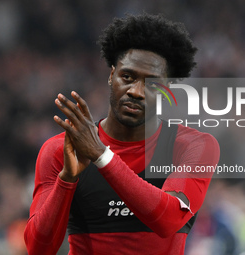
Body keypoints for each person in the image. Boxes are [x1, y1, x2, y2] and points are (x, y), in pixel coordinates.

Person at [24, 13, 220, 255]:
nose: (136, 91)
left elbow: (167, 220)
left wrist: (101, 156)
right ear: (111, 75)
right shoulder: (61, 150)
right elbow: (38, 249)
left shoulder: (193, 146)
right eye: (127, 77)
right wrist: (67, 180)